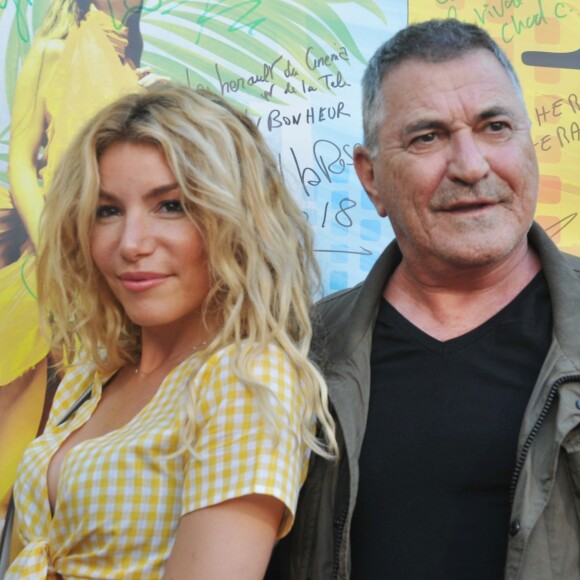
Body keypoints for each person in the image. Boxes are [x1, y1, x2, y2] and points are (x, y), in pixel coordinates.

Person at [267, 18, 580, 580]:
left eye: (495, 127)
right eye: (427, 137)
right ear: (371, 178)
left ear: (529, 146)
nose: (470, 166)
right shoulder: (300, 354)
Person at [5, 83, 337, 578]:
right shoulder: (92, 374)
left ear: (236, 220)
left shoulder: (247, 379)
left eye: (171, 205)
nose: (131, 243)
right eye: (108, 210)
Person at [0, 0, 159, 519]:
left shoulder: (137, 73)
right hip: (49, 265)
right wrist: (56, 252)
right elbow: (22, 163)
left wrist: (151, 104)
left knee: (65, 451)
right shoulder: (51, 51)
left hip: (112, 279)